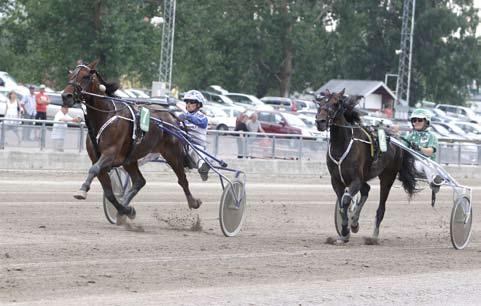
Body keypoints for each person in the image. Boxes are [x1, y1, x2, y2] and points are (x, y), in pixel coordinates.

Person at [404, 108, 444, 192]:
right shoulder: (409, 137)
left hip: (426, 164)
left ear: (427, 122)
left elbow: (430, 152)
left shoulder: (431, 137)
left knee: (425, 162)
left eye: (420, 120)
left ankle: (434, 182)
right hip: (411, 165)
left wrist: (419, 148)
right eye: (414, 120)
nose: (416, 122)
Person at [179, 90, 210, 181]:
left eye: (191, 102)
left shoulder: (202, 117)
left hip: (197, 145)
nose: (188, 104)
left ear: (199, 105)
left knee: (194, 150)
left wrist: (187, 117)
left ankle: (203, 168)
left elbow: (201, 123)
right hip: (184, 145)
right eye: (187, 102)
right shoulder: (183, 116)